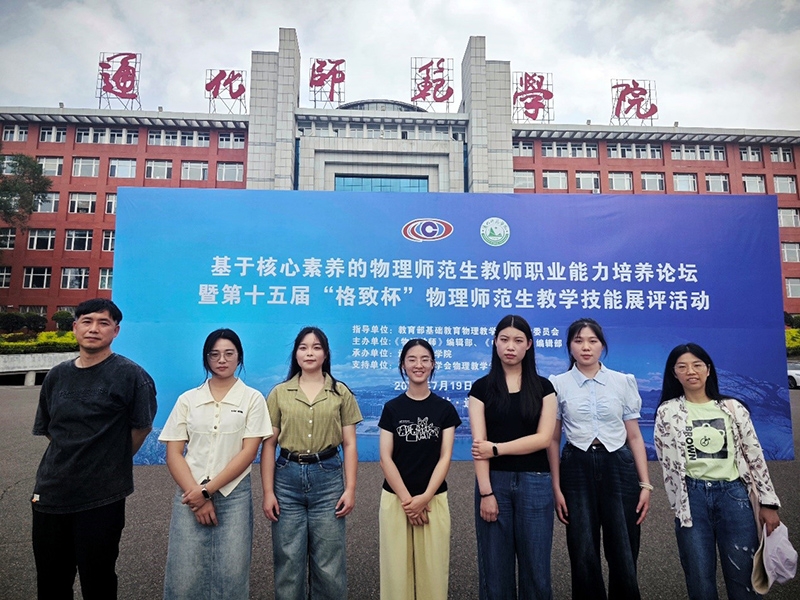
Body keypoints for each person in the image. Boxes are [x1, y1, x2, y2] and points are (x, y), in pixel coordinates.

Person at [31, 298, 157, 600]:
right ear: (75, 327)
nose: (94, 329)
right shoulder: (56, 376)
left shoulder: (132, 376)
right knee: (51, 580)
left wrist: (108, 459)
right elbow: (50, 429)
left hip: (102, 496)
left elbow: (141, 427)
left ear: (116, 330)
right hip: (51, 493)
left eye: (103, 323)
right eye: (87, 322)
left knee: (98, 580)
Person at [654, 343, 781, 600]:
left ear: (708, 370)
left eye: (697, 365)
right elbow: (667, 462)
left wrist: (769, 503)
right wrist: (678, 504)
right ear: (674, 373)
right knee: (699, 579)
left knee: (744, 579)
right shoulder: (667, 411)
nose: (691, 371)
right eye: (682, 366)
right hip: (692, 498)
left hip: (734, 496)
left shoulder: (733, 407)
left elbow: (755, 456)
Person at [159, 329, 272, 599]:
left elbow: (249, 452)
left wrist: (207, 491)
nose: (222, 360)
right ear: (206, 358)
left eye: (229, 354)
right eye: (215, 354)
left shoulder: (253, 398)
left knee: (231, 572)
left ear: (239, 357)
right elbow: (174, 453)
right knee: (184, 572)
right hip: (189, 493)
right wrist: (197, 495)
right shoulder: (188, 399)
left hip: (234, 494)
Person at [548, 318, 650, 600]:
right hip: (576, 467)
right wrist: (556, 488)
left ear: (602, 346)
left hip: (619, 465)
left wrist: (645, 484)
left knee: (624, 548)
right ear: (569, 346)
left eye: (592, 341)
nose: (586, 347)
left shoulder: (622, 381)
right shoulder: (557, 384)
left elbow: (634, 437)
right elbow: (553, 440)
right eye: (578, 341)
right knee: (582, 550)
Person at [261, 326, 362, 600]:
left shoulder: (341, 392)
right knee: (288, 561)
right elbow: (269, 444)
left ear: (325, 354)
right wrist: (268, 492)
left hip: (328, 478)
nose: (309, 353)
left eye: (316, 347)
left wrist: (350, 488)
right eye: (303, 347)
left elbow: (350, 444)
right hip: (286, 479)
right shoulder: (279, 393)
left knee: (329, 564)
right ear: (295, 354)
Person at [468, 314, 558, 600]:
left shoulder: (544, 388)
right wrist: (486, 493)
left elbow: (543, 439)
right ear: (495, 343)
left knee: (537, 569)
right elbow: (478, 445)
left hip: (536, 482)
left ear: (529, 345)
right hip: (494, 483)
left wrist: (497, 448)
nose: (510, 346)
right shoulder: (480, 389)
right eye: (504, 339)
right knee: (495, 571)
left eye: (518, 340)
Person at [378, 338, 461, 600]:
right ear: (403, 365)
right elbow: (385, 458)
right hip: (396, 500)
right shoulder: (391, 408)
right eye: (412, 359)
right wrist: (408, 502)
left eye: (425, 359)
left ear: (433, 364)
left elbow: (445, 457)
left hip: (433, 500)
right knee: (395, 575)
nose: (419, 365)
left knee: (433, 575)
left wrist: (424, 498)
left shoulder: (445, 409)